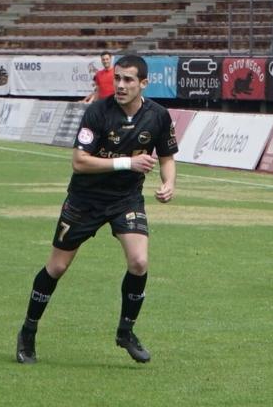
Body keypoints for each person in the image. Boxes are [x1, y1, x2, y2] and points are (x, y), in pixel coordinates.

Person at [16, 53, 176, 365]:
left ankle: (125, 332)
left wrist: (169, 183)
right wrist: (128, 162)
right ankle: (28, 331)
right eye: (117, 78)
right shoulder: (97, 112)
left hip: (125, 200)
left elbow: (167, 155)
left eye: (128, 79)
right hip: (84, 201)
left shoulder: (158, 116)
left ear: (144, 83)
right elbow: (79, 161)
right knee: (57, 267)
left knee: (140, 261)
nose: (120, 85)